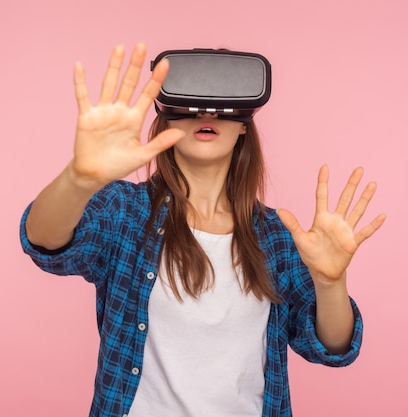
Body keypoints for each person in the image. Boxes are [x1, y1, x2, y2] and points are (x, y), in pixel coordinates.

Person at [20, 43, 386, 417]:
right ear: (165, 118)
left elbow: (333, 347)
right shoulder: (125, 211)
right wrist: (79, 178)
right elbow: (44, 242)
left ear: (245, 126)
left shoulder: (277, 236)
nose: (207, 111)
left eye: (224, 98)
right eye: (192, 98)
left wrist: (330, 282)